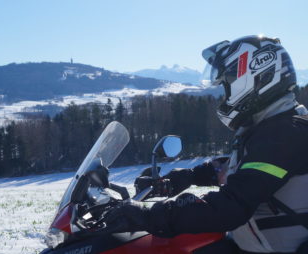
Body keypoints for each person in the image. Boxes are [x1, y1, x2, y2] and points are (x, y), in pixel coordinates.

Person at [106, 35, 308, 254]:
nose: (225, 95)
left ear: (257, 77)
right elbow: (242, 170)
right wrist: (184, 177)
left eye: (227, 85)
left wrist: (148, 215)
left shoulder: (285, 133)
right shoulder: (274, 125)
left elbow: (229, 208)